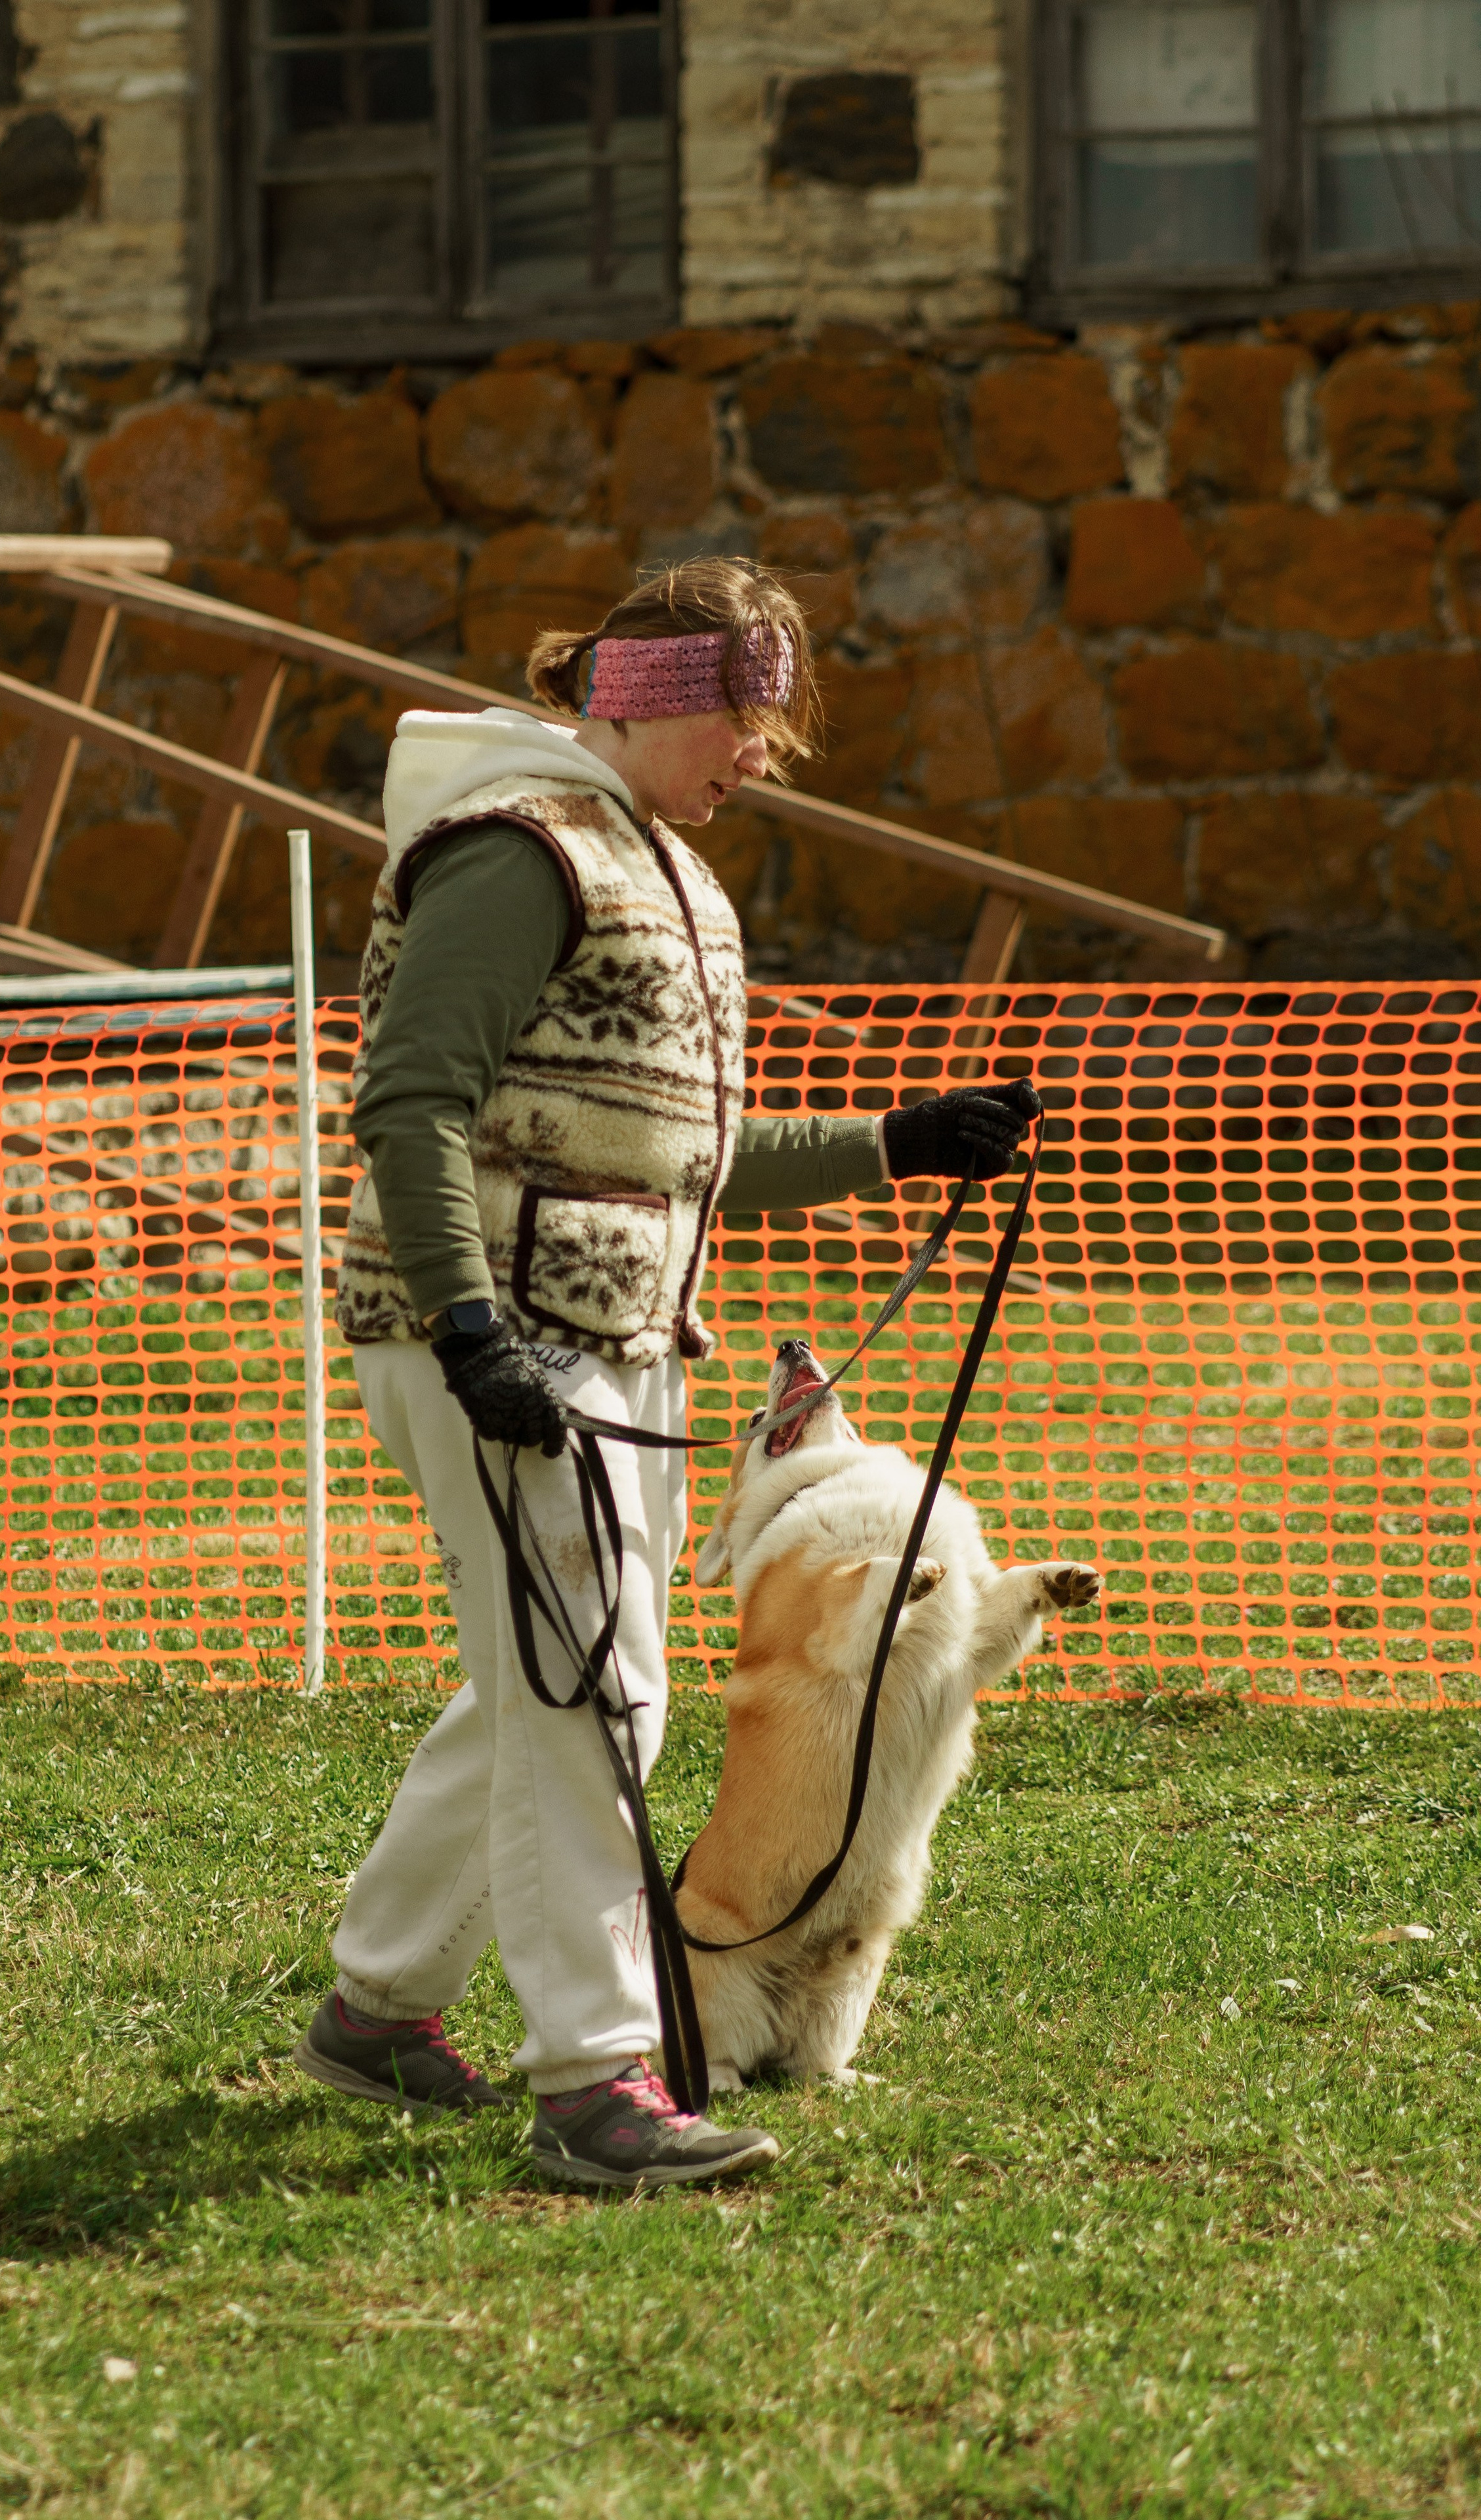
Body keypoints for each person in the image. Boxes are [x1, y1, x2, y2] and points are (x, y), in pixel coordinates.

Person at [294, 558, 1038, 2193]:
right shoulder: (515, 855)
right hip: (496, 1340)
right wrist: (470, 1327)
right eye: (746, 717)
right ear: (654, 702)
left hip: (605, 1347)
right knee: (589, 1694)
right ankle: (598, 2079)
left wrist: (888, 1147)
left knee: (541, 1678)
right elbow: (410, 1106)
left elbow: (672, 1158)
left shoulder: (657, 868)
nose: (762, 754)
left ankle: (376, 2006)